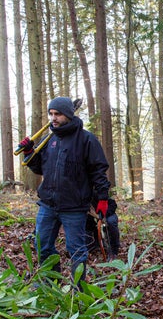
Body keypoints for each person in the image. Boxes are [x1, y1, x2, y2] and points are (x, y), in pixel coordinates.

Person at [19, 97, 111, 284]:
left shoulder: (86, 139)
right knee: (42, 245)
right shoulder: (49, 139)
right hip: (47, 205)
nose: (54, 118)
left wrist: (102, 199)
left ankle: (78, 289)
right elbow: (39, 168)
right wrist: (29, 152)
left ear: (68, 115)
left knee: (76, 250)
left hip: (74, 207)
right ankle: (49, 282)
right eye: (51, 114)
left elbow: (99, 171)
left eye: (58, 114)